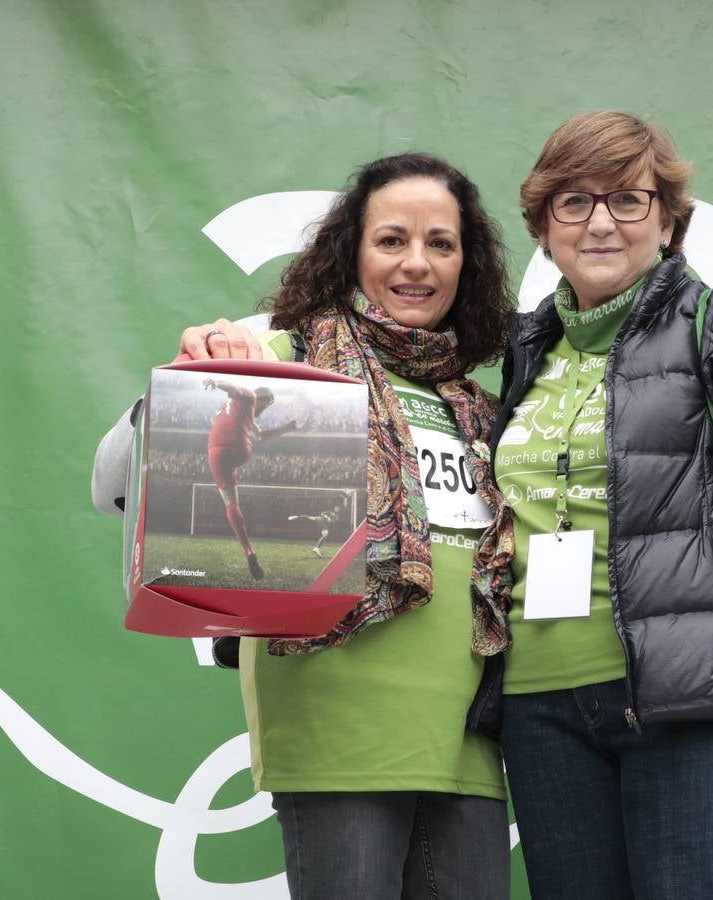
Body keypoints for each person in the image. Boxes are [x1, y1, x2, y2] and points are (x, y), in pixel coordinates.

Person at [93, 152, 517, 900]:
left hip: (469, 747)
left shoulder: (481, 406)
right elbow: (113, 479)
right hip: (336, 735)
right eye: (392, 240)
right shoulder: (285, 361)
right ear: (350, 251)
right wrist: (189, 387)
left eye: (440, 244)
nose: (416, 263)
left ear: (467, 263)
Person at [474, 111, 713, 899]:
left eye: (627, 199)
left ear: (668, 220)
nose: (601, 222)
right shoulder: (524, 350)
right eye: (574, 202)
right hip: (541, 713)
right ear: (543, 227)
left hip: (696, 708)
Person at [200, 378, 296, 579]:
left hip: (216, 453)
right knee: (233, 500)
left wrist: (286, 429)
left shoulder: (236, 409)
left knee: (229, 503)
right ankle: (249, 554)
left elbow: (260, 434)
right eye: (267, 405)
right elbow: (233, 387)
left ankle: (249, 551)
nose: (265, 410)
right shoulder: (250, 395)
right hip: (239, 449)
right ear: (263, 399)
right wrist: (215, 382)